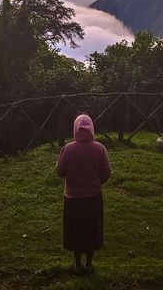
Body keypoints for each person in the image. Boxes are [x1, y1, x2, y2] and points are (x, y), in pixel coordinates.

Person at [56, 113, 111, 274]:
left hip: (73, 199)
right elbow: (107, 172)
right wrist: (97, 183)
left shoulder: (68, 149)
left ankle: (78, 265)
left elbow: (60, 172)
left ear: (75, 129)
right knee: (90, 230)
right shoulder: (99, 148)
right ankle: (89, 264)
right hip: (93, 198)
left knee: (76, 231)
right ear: (91, 129)